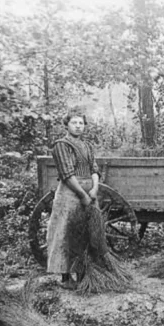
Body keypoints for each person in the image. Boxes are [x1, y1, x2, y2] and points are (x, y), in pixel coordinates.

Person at [48, 112, 100, 288]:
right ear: (66, 125)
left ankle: (83, 275)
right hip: (70, 192)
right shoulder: (61, 145)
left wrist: (94, 189)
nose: (78, 126)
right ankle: (65, 278)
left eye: (81, 123)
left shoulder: (87, 146)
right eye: (74, 123)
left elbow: (94, 169)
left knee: (86, 233)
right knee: (65, 231)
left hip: (88, 190)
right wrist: (83, 195)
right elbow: (67, 174)